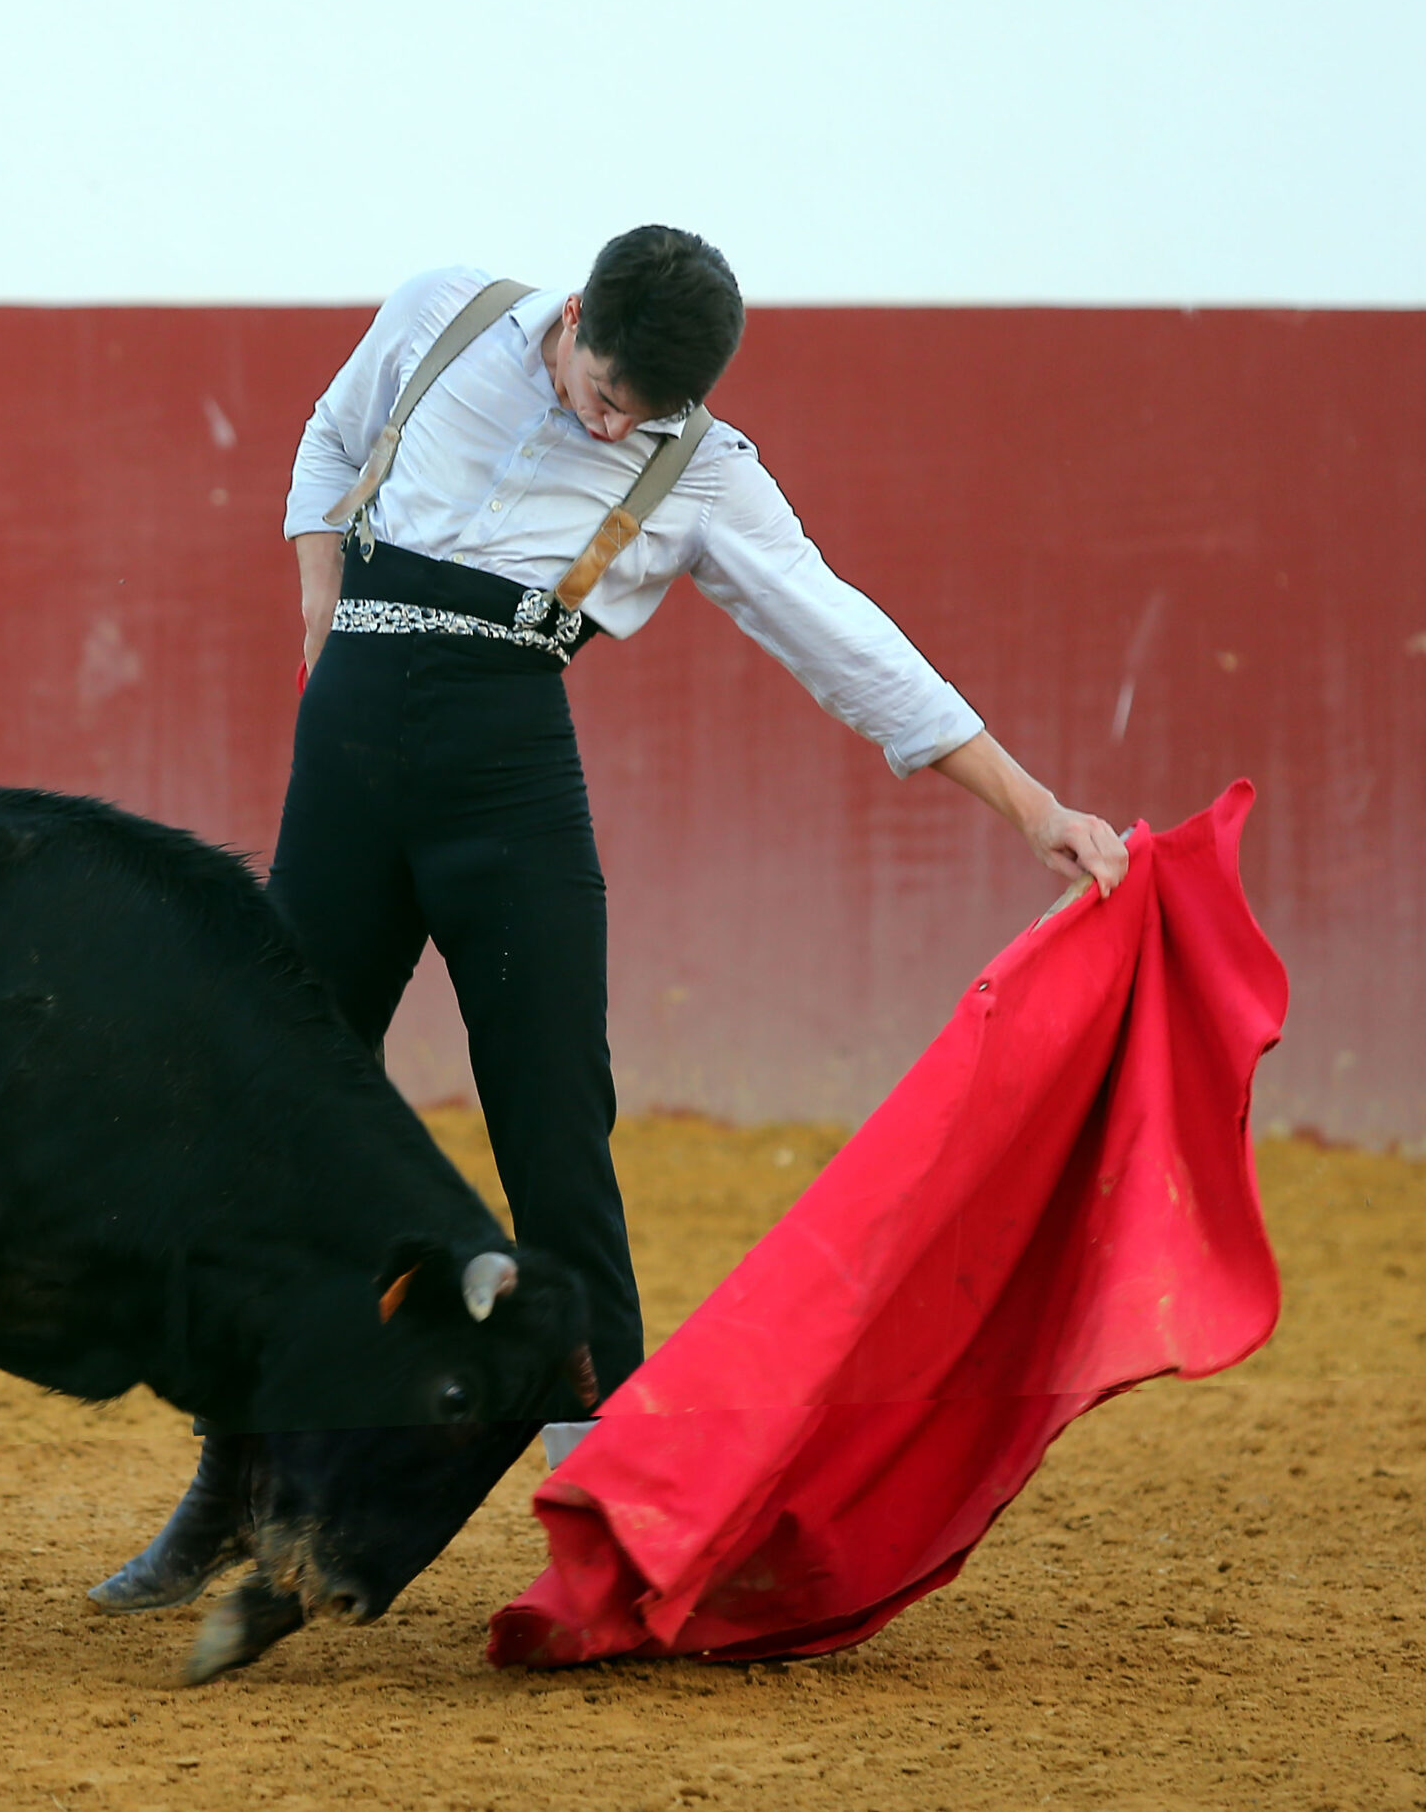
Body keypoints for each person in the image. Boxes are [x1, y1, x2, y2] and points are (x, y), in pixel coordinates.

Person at [90, 225, 1130, 1613]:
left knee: (555, 1136)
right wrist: (320, 593)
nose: (613, 425)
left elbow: (841, 636)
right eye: (602, 392)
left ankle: (612, 1530)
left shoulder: (703, 467)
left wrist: (1031, 803)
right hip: (345, 763)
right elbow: (333, 439)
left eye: (645, 415)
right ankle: (236, 1486)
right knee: (268, 1115)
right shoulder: (444, 312)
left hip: (503, 789)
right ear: (574, 315)